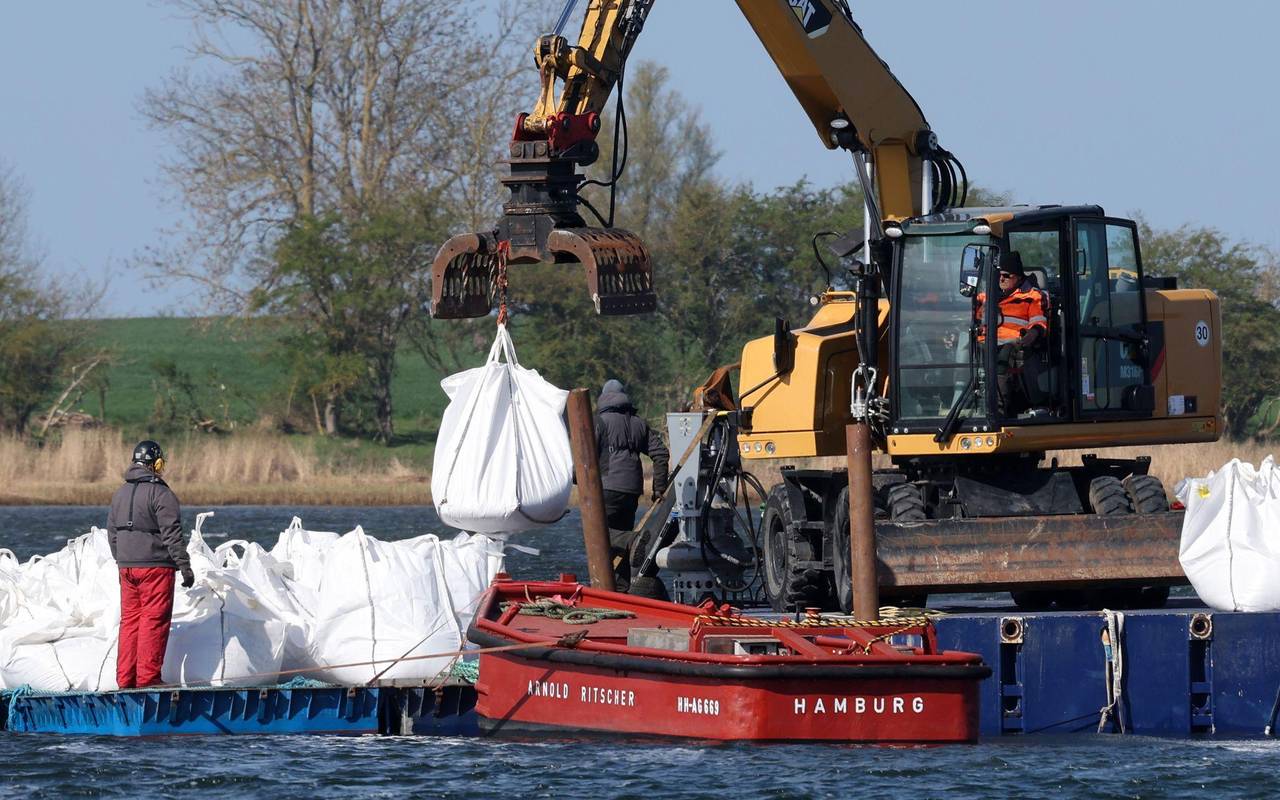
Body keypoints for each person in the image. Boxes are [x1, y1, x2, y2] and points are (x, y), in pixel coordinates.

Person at [106, 440, 193, 689]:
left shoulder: (119, 494)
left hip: (126, 567)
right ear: (156, 464)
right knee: (153, 621)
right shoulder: (162, 493)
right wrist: (184, 567)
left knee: (130, 621)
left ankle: (125, 681)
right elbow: (172, 535)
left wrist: (121, 560)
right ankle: (148, 680)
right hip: (155, 567)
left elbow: (112, 533)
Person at [975, 251, 1049, 416]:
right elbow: (970, 315)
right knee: (963, 346)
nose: (1001, 279)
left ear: (1019, 277)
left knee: (1004, 354)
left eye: (1006, 275)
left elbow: (1039, 322)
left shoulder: (1033, 296)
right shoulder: (986, 296)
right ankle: (956, 399)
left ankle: (998, 411)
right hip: (984, 341)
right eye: (999, 275)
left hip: (1013, 342)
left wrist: (1032, 334)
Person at [595, 379, 670, 531]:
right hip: (632, 491)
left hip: (606, 489)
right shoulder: (638, 423)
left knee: (601, 537)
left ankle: (627, 541)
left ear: (603, 398)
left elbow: (585, 459)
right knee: (623, 533)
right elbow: (661, 453)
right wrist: (659, 488)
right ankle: (630, 541)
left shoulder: (598, 422)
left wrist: (574, 478)